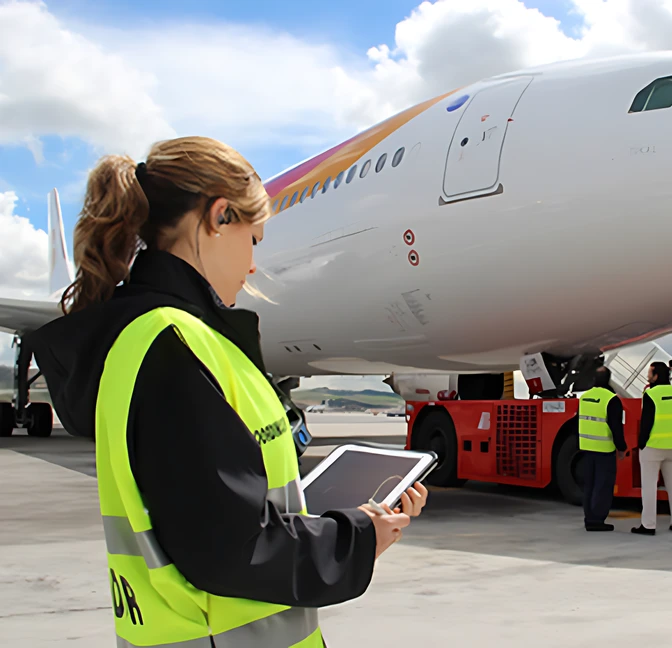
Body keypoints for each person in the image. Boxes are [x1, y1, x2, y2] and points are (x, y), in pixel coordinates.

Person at [26, 136, 428, 647]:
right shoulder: (174, 346)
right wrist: (358, 537)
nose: (254, 264)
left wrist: (343, 524)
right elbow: (230, 551)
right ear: (218, 218)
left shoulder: (165, 338)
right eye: (254, 239)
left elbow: (219, 512)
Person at [632, 361, 672, 535]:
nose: (648, 376)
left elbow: (647, 422)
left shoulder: (651, 394)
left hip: (653, 446)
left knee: (649, 486)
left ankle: (648, 525)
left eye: (650, 373)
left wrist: (641, 443)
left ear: (656, 376)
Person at [577, 366, 627, 531]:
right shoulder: (611, 399)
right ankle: (597, 521)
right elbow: (616, 427)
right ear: (608, 379)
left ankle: (589, 518)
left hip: (586, 448)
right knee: (603, 486)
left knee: (589, 485)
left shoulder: (584, 397)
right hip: (604, 450)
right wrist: (621, 447)